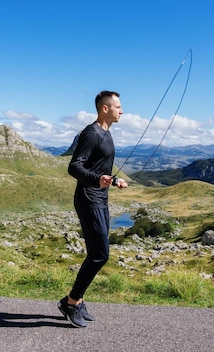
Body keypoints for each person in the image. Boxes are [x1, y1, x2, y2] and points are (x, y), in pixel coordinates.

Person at [57, 90, 129, 328]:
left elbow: (100, 164)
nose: (122, 111)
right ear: (105, 109)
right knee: (100, 254)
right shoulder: (92, 133)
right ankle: (71, 301)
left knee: (96, 253)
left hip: (100, 198)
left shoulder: (106, 133)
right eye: (118, 107)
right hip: (89, 199)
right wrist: (97, 179)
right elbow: (74, 167)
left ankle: (76, 301)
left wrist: (113, 180)